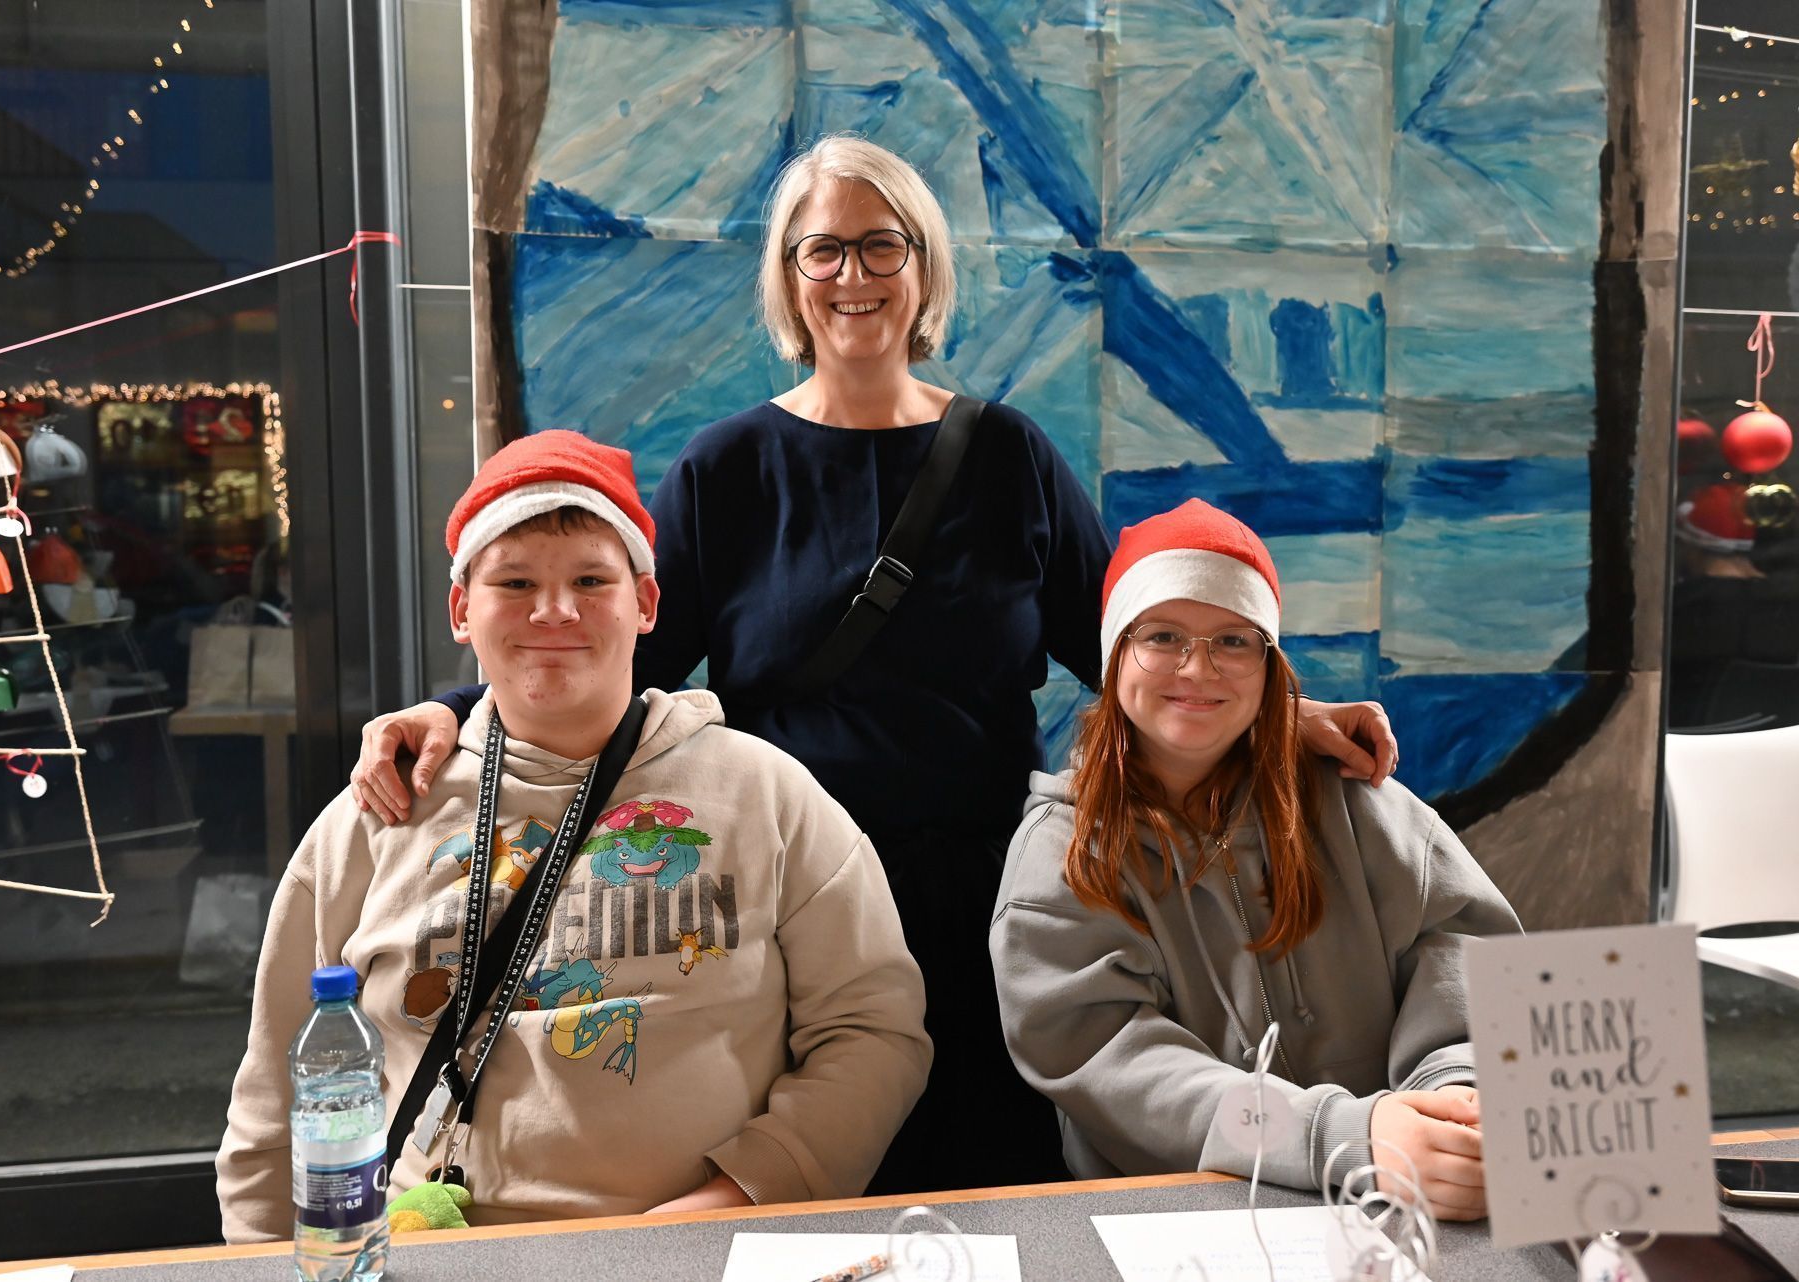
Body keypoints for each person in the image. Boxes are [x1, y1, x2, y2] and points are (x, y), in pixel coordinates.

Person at [345, 135, 1399, 1194]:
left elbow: (1132, 648)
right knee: (816, 1182)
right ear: (790, 278)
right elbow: (616, 657)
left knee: (999, 1183)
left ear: (924, 267)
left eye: (881, 246)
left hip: (991, 902)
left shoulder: (1007, 456)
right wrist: (451, 712)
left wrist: (1282, 709)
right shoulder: (728, 469)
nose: (853, 276)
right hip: (790, 902)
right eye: (824, 251)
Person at [216, 431, 930, 1239]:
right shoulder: (379, 810)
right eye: (514, 582)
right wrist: (262, 1261)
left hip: (703, 1251)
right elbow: (277, 1089)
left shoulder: (767, 795)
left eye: (591, 580)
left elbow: (874, 1033)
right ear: (461, 610)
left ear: (647, 603)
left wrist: (737, 1199)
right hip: (424, 1248)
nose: (554, 610)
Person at [990, 500, 1519, 1223]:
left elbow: (1464, 954)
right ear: (1115, 658)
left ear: (1270, 666)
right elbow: (1120, 1070)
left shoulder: (1358, 806)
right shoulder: (1062, 857)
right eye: (1163, 636)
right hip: (1187, 1220)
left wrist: (1451, 1101)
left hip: (1409, 1197)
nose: (1198, 667)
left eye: (1234, 641)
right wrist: (1348, 1137)